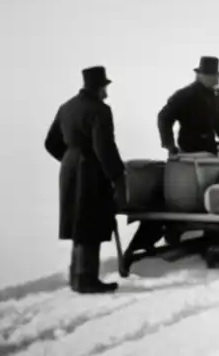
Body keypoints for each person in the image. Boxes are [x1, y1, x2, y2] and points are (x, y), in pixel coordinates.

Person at [44, 66, 126, 295]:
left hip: (70, 170)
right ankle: (87, 280)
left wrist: (71, 158)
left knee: (79, 225)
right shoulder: (100, 110)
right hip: (91, 172)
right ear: (99, 88)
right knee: (90, 223)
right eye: (105, 88)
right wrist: (117, 176)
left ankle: (77, 278)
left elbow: (50, 143)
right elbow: (104, 148)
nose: (107, 93)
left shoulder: (66, 107)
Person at [157, 56, 219, 158]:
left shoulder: (214, 96)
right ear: (201, 76)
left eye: (216, 77)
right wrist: (169, 144)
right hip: (189, 151)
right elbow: (164, 117)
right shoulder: (185, 95)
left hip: (209, 150)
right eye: (213, 77)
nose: (216, 81)